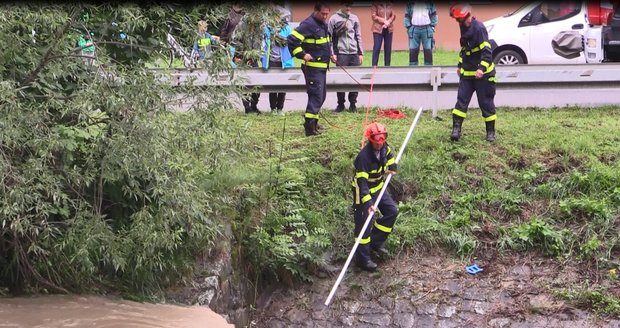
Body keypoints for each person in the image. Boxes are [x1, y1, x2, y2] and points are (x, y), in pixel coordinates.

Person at [351, 122, 399, 272]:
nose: (379, 145)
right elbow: (362, 182)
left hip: (378, 186)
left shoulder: (385, 147)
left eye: (381, 141)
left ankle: (375, 243)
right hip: (363, 191)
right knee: (364, 224)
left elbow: (390, 156)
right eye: (376, 142)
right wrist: (368, 203)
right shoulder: (363, 158)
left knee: (392, 211)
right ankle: (362, 260)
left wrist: (392, 167)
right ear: (371, 140)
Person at [449, 3, 497, 142]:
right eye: (459, 20)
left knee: (486, 103)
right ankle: (456, 130)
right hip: (467, 74)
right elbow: (464, 49)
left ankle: (490, 132)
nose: (462, 22)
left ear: (469, 15)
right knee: (461, 102)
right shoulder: (463, 27)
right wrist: (460, 65)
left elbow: (487, 51)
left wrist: (481, 69)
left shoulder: (479, 28)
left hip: (483, 74)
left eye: (463, 19)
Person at [288, 2, 337, 136]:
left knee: (321, 96)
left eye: (327, 14)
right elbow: (292, 40)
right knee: (316, 96)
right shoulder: (308, 24)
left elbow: (325, 43)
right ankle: (309, 128)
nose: (325, 16)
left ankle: (314, 123)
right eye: (323, 14)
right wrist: (303, 54)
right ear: (315, 11)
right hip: (312, 68)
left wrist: (331, 55)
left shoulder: (323, 24)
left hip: (322, 68)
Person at [329, 1, 364, 113]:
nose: (348, 8)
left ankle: (353, 104)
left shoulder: (354, 18)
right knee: (340, 80)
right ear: (341, 6)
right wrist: (332, 53)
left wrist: (360, 53)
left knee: (354, 79)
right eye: (346, 5)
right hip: (341, 53)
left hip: (354, 53)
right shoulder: (333, 19)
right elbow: (329, 37)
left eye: (350, 6)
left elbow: (358, 36)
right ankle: (340, 104)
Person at [262, 6, 295, 114]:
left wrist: (283, 40)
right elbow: (264, 40)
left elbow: (292, 42)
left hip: (284, 61)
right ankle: (273, 109)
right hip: (271, 60)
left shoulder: (287, 28)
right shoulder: (267, 28)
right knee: (272, 85)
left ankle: (280, 108)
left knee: (282, 85)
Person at [404, 0, 438, 66]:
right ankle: (413, 68)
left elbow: (434, 15)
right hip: (414, 29)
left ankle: (428, 67)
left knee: (428, 50)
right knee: (413, 50)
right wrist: (409, 28)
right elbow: (407, 15)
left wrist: (432, 27)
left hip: (427, 29)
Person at [370, 1, 396, 67]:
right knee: (377, 47)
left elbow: (393, 16)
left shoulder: (390, 4)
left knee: (388, 48)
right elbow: (374, 16)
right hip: (377, 29)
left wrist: (388, 22)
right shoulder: (375, 4)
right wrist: (384, 21)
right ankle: (374, 66)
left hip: (389, 28)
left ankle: (387, 66)